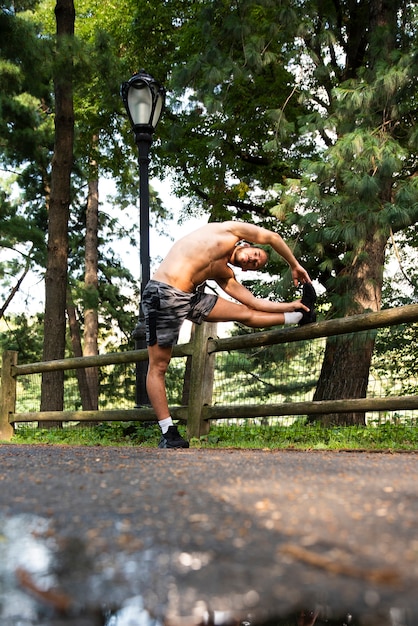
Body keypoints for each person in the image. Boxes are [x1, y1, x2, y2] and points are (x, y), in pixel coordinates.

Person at [141, 220, 316, 449]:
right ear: (246, 244)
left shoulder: (224, 274)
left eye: (255, 265)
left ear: (246, 269)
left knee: (245, 313)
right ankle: (168, 432)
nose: (253, 260)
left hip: (189, 298)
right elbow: (272, 237)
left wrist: (290, 305)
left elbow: (253, 303)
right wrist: (294, 265)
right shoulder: (228, 230)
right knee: (159, 366)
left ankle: (298, 317)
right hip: (162, 294)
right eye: (255, 254)